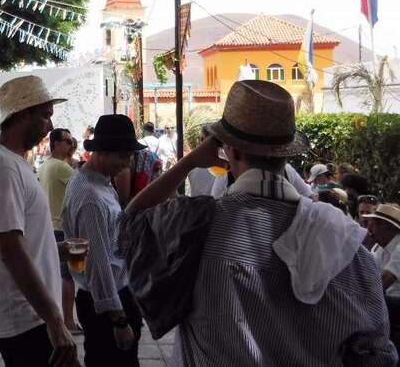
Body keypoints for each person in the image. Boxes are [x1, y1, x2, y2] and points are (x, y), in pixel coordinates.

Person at [120, 80, 396, 365]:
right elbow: (379, 353)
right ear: (286, 153)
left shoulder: (194, 228)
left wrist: (189, 162)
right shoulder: (346, 242)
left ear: (231, 150)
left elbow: (129, 226)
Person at [0, 75, 81, 367]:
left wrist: (56, 249)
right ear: (23, 115)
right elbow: (10, 249)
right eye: (45, 115)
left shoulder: (14, 162)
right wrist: (55, 320)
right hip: (26, 319)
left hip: (32, 316)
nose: (50, 126)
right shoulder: (3, 168)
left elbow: (21, 240)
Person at [62, 115, 142, 366]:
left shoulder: (97, 183)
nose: (127, 163)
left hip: (108, 296)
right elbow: (98, 263)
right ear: (102, 153)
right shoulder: (91, 197)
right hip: (106, 303)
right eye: (122, 156)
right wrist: (119, 320)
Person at [37, 128, 79, 335]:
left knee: (58, 276)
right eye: (66, 141)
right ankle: (69, 321)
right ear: (55, 144)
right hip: (61, 228)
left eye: (71, 140)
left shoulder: (47, 165)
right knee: (67, 277)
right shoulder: (61, 168)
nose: (70, 144)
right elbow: (82, 187)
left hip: (51, 226)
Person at [364, 204, 400, 354]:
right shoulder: (379, 249)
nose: (368, 230)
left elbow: (383, 282)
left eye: (371, 225)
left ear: (386, 227)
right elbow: (369, 277)